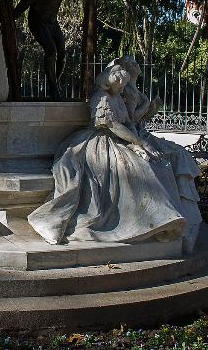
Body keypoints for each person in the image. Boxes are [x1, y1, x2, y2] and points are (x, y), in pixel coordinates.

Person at [28, 63, 186, 245]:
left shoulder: (117, 97)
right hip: (101, 142)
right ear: (108, 81)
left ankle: (162, 217)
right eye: (119, 83)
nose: (122, 87)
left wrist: (142, 142)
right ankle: (151, 218)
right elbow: (112, 126)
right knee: (133, 169)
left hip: (122, 139)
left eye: (124, 83)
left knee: (154, 164)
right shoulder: (100, 98)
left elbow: (127, 122)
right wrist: (137, 142)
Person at [114, 55, 202, 252]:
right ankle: (178, 211)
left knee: (180, 153)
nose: (137, 65)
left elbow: (140, 118)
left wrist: (152, 109)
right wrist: (147, 107)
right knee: (172, 158)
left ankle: (187, 209)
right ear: (126, 69)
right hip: (135, 135)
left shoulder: (133, 88)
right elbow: (129, 120)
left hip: (142, 132)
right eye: (133, 63)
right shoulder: (125, 90)